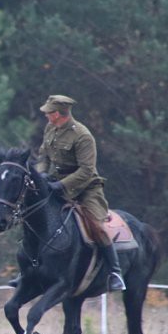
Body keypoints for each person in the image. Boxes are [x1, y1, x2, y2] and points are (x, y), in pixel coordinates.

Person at [33, 94, 125, 291]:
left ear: (58, 114)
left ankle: (115, 272)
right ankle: (29, 270)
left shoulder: (82, 135)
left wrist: (61, 185)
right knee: (36, 217)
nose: (46, 115)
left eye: (48, 112)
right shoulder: (50, 128)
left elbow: (86, 171)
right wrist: (41, 176)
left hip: (86, 188)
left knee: (97, 226)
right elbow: (43, 156)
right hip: (56, 184)